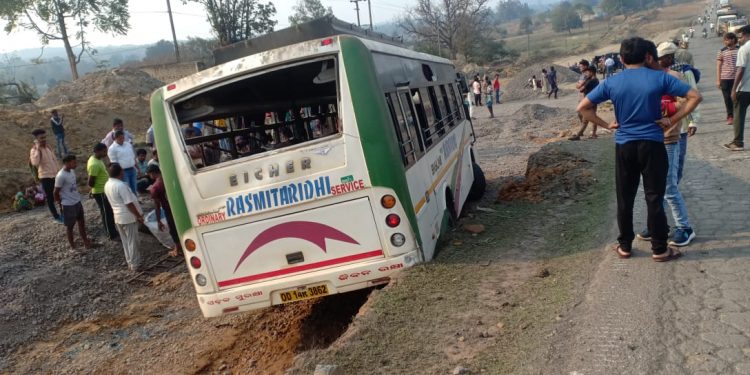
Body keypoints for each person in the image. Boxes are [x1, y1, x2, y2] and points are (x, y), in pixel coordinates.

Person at [577, 37, 701, 262]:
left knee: (625, 197)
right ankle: (660, 249)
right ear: (647, 56)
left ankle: (624, 246)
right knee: (655, 197)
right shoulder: (659, 78)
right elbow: (695, 96)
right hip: (653, 145)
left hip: (625, 146)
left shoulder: (612, 82)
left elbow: (583, 107)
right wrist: (672, 120)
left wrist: (607, 125)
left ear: (621, 59)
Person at [638, 42, 698, 247]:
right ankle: (658, 224)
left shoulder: (673, 77)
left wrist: (670, 115)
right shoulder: (643, 79)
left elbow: (688, 101)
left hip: (670, 138)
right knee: (654, 186)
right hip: (649, 139)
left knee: (670, 185)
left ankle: (684, 228)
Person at [105, 163, 145, 272]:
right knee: (133, 241)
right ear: (120, 172)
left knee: (126, 241)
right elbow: (129, 203)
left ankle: (130, 262)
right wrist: (138, 216)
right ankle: (135, 264)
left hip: (118, 217)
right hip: (127, 217)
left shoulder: (108, 184)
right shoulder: (120, 186)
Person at [54, 155, 93, 249]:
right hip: (68, 204)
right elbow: (55, 192)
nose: (76, 164)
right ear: (67, 163)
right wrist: (60, 203)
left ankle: (86, 242)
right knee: (70, 226)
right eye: (73, 162)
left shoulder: (72, 171)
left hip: (77, 201)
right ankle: (73, 246)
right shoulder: (61, 176)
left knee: (81, 223)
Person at [147, 165, 181, 257]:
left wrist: (158, 220)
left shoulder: (155, 187)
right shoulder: (170, 178)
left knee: (173, 229)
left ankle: (178, 248)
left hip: (169, 210)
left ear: (152, 174)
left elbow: (157, 205)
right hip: (180, 206)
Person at [29, 129, 62, 223]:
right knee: (50, 198)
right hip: (45, 177)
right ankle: (56, 216)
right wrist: (38, 149)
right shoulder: (34, 150)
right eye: (41, 138)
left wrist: (59, 172)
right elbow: (35, 163)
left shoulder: (48, 147)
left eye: (45, 137)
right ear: (36, 139)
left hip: (55, 175)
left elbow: (54, 160)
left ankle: (63, 212)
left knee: (59, 195)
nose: (44, 139)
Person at [87, 143, 118, 241]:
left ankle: (112, 230)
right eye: (104, 151)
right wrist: (92, 189)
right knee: (106, 212)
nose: (106, 153)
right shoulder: (94, 164)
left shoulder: (97, 160)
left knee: (108, 211)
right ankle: (111, 234)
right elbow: (91, 182)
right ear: (97, 151)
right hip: (100, 192)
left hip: (103, 190)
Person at [726, 25, 750, 151]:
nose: (739, 40)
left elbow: (740, 70)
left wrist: (734, 88)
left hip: (745, 89)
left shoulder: (744, 49)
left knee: (739, 115)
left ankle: (738, 142)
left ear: (747, 35)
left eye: (740, 37)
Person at [569, 66, 600, 141]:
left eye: (588, 72)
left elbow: (581, 89)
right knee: (591, 117)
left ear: (591, 72)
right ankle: (593, 134)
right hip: (591, 100)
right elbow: (580, 87)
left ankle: (578, 135)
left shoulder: (592, 81)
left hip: (590, 101)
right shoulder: (593, 79)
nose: (586, 74)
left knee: (585, 119)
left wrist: (582, 85)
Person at [717, 33, 739, 125]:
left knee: (737, 97)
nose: (726, 42)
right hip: (725, 78)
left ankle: (737, 115)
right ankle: (730, 116)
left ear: (733, 40)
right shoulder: (721, 51)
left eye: (728, 39)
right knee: (727, 98)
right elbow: (718, 66)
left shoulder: (740, 50)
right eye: (725, 40)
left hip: (737, 78)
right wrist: (718, 80)